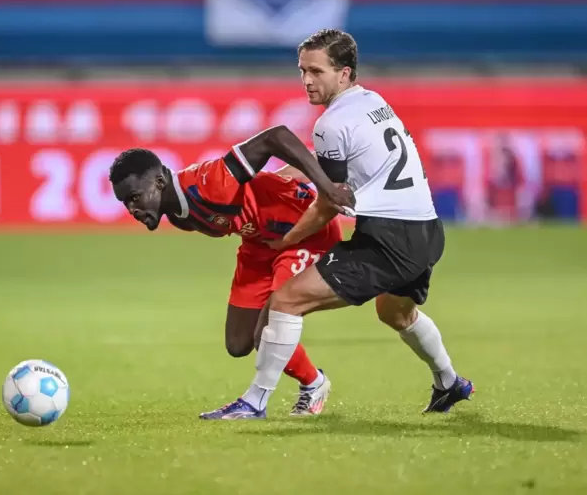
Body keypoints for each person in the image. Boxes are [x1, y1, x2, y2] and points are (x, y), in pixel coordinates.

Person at [200, 29, 474, 420]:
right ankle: (450, 383)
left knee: (286, 299)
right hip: (426, 230)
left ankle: (254, 402)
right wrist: (296, 172)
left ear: (343, 73)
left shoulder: (329, 122)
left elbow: (328, 202)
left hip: (389, 238)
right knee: (395, 314)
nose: (307, 80)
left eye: (316, 71)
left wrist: (288, 240)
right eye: (302, 71)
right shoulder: (373, 102)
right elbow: (341, 160)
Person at [109, 141, 352, 416]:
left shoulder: (208, 182)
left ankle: (294, 390)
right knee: (238, 343)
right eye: (125, 202)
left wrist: (327, 186)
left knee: (267, 331)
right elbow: (260, 185)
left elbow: (276, 137)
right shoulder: (178, 215)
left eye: (135, 197)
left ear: (160, 180)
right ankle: (309, 382)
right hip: (259, 243)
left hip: (302, 232)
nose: (131, 209)